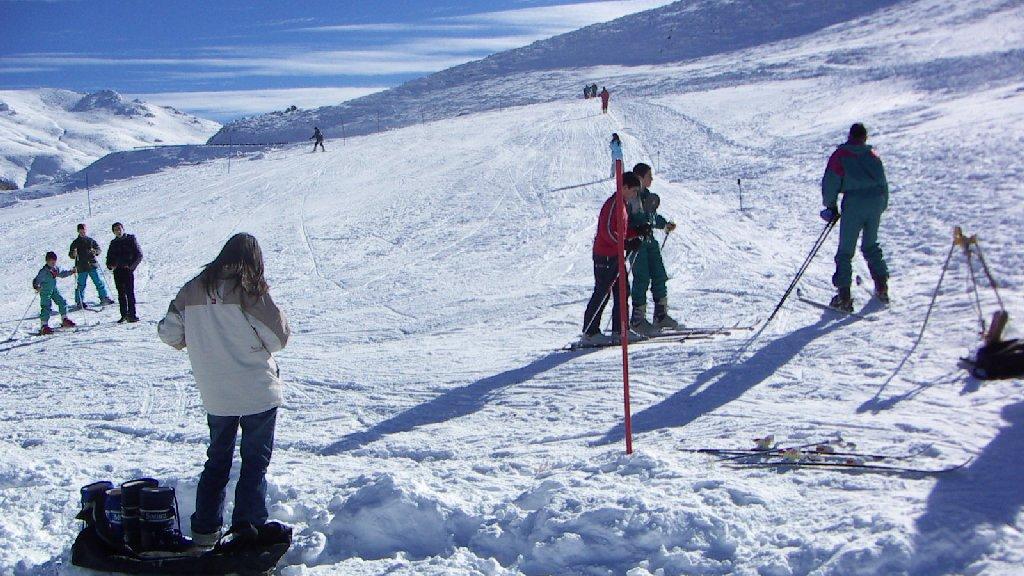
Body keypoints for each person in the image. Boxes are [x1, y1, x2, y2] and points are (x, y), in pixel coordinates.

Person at [158, 233, 291, 548]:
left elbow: (169, 333)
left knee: (217, 460)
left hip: (215, 391)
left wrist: (199, 339)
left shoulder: (192, 289)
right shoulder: (250, 290)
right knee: (254, 462)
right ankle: (248, 530)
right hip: (256, 389)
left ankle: (205, 531)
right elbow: (279, 338)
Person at [821, 122, 890, 312]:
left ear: (850, 136)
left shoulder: (841, 155)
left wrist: (830, 206)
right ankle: (882, 286)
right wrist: (882, 206)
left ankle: (844, 298)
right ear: (865, 137)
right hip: (875, 202)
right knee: (870, 244)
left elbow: (831, 181)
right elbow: (883, 182)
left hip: (854, 204)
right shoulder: (873, 155)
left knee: (845, 251)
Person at [582, 172, 643, 343]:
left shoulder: (622, 204)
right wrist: (625, 244)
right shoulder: (613, 204)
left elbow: (621, 231)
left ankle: (620, 330)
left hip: (616, 255)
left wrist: (636, 232)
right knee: (603, 292)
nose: (634, 195)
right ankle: (590, 332)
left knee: (623, 291)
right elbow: (607, 231)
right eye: (633, 191)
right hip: (606, 256)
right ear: (624, 188)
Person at [628, 163, 678, 335]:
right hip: (637, 243)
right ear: (640, 177)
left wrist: (664, 224)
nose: (652, 179)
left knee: (659, 274)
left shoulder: (647, 196)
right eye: (649, 176)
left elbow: (652, 216)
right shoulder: (632, 197)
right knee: (642, 277)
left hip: (650, 241)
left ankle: (660, 314)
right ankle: (637, 319)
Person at [69, 223, 114, 309]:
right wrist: (73, 254)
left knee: (99, 282)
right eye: (81, 231)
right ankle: (79, 301)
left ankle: (104, 297)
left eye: (84, 230)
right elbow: (71, 255)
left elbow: (98, 249)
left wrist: (95, 251)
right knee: (81, 284)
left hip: (92, 264)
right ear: (78, 231)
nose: (83, 232)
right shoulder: (75, 243)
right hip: (82, 266)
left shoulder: (90, 240)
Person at [106, 222, 143, 323]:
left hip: (127, 270)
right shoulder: (113, 243)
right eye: (116, 230)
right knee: (121, 294)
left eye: (119, 229)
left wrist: (131, 266)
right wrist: (110, 265)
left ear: (123, 229)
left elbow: (139, 255)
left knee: (129, 293)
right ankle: (123, 315)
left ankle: (132, 315)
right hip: (117, 271)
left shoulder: (130, 239)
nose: (118, 231)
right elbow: (109, 257)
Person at [32, 251, 76, 335]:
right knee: (46, 306)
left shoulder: (55, 268)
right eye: (51, 261)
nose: (53, 263)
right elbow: (37, 280)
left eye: (54, 261)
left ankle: (64, 319)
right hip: (45, 291)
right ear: (47, 261)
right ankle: (44, 325)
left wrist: (71, 271)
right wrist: (36, 286)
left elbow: (62, 273)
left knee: (62, 302)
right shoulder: (44, 271)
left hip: (53, 290)